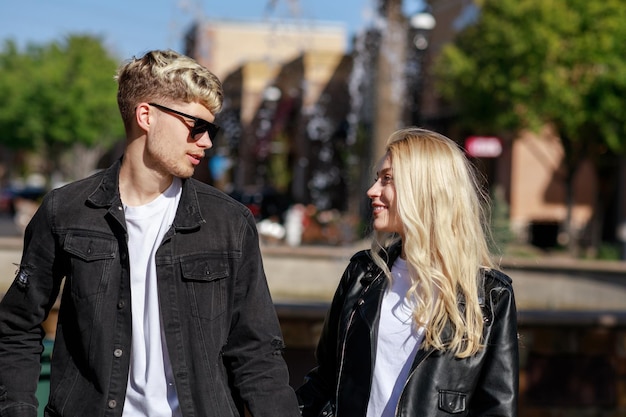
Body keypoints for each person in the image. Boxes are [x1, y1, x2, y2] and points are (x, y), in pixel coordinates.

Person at [0, 49, 301, 417]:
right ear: (146, 116)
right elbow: (16, 327)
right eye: (197, 126)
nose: (206, 142)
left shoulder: (228, 222)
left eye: (211, 130)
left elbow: (256, 353)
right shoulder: (66, 210)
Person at [296, 128, 519, 417]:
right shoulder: (363, 275)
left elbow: (497, 409)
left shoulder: (490, 295)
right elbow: (325, 380)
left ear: (424, 188)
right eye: (377, 178)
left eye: (387, 179)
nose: (372, 191)